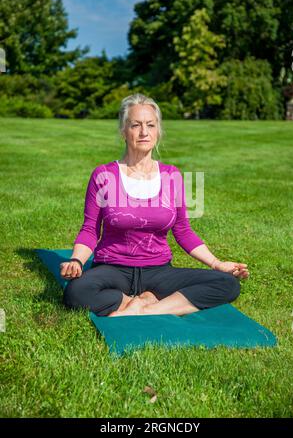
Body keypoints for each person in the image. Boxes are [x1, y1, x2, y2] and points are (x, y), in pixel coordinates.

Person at [60, 93, 249, 317]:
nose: (144, 132)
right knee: (76, 293)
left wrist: (217, 264)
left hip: (158, 271)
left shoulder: (172, 176)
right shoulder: (103, 175)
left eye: (150, 125)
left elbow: (183, 231)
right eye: (135, 125)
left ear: (158, 131)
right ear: (123, 131)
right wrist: (76, 260)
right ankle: (141, 301)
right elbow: (90, 229)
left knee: (227, 284)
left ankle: (145, 309)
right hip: (112, 269)